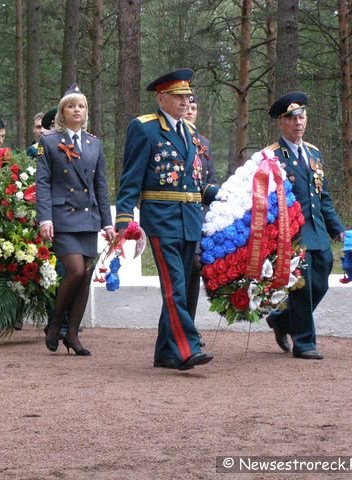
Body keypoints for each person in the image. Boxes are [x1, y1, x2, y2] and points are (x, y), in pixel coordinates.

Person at [114, 68, 218, 371]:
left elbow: (197, 184)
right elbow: (130, 179)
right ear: (162, 98)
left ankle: (165, 352)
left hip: (190, 221)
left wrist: (229, 193)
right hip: (161, 219)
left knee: (183, 288)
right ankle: (188, 347)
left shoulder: (192, 134)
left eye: (188, 96)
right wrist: (124, 221)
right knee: (173, 287)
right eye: (180, 96)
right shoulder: (144, 128)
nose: (186, 101)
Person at [265, 91, 345, 360]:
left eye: (302, 116)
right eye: (292, 118)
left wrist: (337, 227)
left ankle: (282, 320)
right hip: (292, 232)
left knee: (320, 283)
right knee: (302, 285)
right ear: (281, 122)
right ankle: (304, 342)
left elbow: (323, 195)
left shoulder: (313, 152)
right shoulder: (272, 156)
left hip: (317, 229)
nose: (298, 122)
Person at [37, 83, 114, 356]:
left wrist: (107, 222)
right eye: (71, 106)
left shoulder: (94, 143)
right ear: (62, 112)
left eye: (81, 106)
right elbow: (43, 183)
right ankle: (56, 324)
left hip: (89, 217)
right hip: (63, 217)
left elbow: (100, 186)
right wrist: (44, 218)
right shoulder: (48, 142)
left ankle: (72, 334)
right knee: (75, 271)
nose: (77, 110)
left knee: (85, 277)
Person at [184, 93, 216, 341]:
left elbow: (209, 183)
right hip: (176, 217)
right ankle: (177, 327)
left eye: (194, 107)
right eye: (186, 106)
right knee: (181, 274)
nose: (189, 111)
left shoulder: (203, 144)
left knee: (195, 270)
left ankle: (189, 326)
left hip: (198, 218)